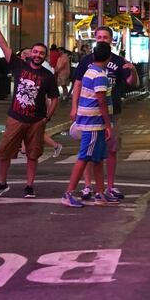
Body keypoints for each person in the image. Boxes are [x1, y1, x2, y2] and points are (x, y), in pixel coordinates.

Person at [0, 12, 59, 199]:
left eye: (41, 53)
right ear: (30, 53)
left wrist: (47, 118)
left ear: (45, 57)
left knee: (33, 155)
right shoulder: (19, 65)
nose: (38, 55)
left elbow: (55, 98)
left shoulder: (48, 76)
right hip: (16, 117)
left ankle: (29, 186)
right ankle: (1, 183)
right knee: (4, 152)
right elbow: (4, 46)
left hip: (36, 121)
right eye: (35, 52)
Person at [70, 26, 139, 202]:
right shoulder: (88, 62)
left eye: (105, 37)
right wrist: (74, 106)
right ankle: (86, 186)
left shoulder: (117, 61)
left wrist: (133, 70)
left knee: (108, 151)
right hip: (94, 114)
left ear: (111, 39)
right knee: (87, 151)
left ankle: (107, 187)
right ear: (95, 38)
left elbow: (131, 82)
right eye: (99, 36)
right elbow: (78, 84)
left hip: (112, 110)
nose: (102, 39)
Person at [61, 42, 118, 207]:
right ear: (108, 57)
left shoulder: (90, 71)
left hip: (91, 121)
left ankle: (100, 193)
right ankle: (68, 193)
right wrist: (108, 124)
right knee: (84, 157)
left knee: (98, 158)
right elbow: (101, 102)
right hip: (93, 122)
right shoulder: (100, 75)